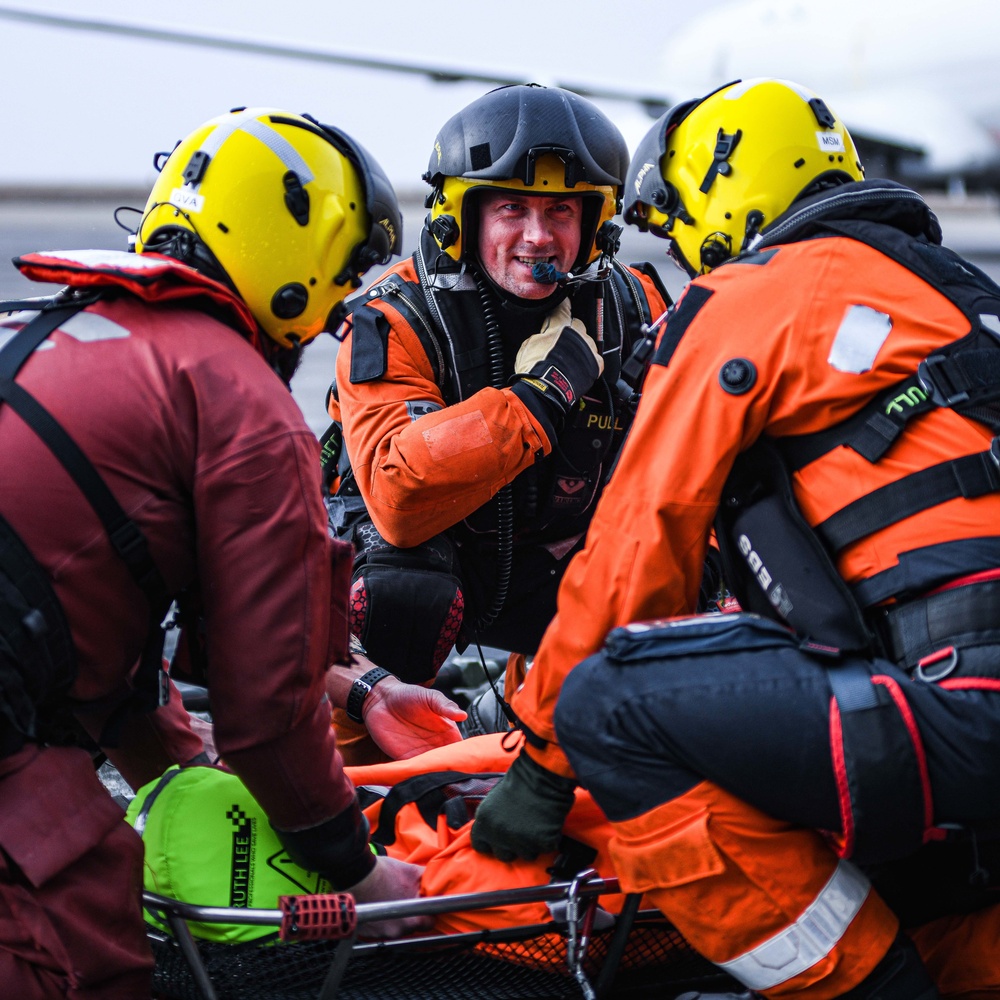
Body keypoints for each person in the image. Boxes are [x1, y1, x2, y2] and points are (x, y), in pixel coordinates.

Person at [471, 78, 1000, 999]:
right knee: (936, 881)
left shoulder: (762, 291)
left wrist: (548, 763)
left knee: (612, 705)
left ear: (723, 193)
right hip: (957, 728)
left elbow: (641, 545)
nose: (682, 252)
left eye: (679, 225)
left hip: (964, 708)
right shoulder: (963, 304)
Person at [0, 107, 446, 999]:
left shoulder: (48, 328)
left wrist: (182, 769)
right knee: (83, 942)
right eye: (339, 281)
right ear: (299, 255)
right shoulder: (233, 396)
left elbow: (95, 622)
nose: (327, 324)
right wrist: (362, 877)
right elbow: (267, 702)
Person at [325, 83, 671, 717]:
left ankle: (527, 715)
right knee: (403, 591)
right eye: (512, 209)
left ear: (593, 223)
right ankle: (361, 773)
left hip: (564, 564)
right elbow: (399, 497)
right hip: (429, 567)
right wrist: (544, 392)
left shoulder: (633, 305)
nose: (537, 237)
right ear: (464, 217)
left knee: (690, 570)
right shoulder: (394, 319)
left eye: (561, 212)